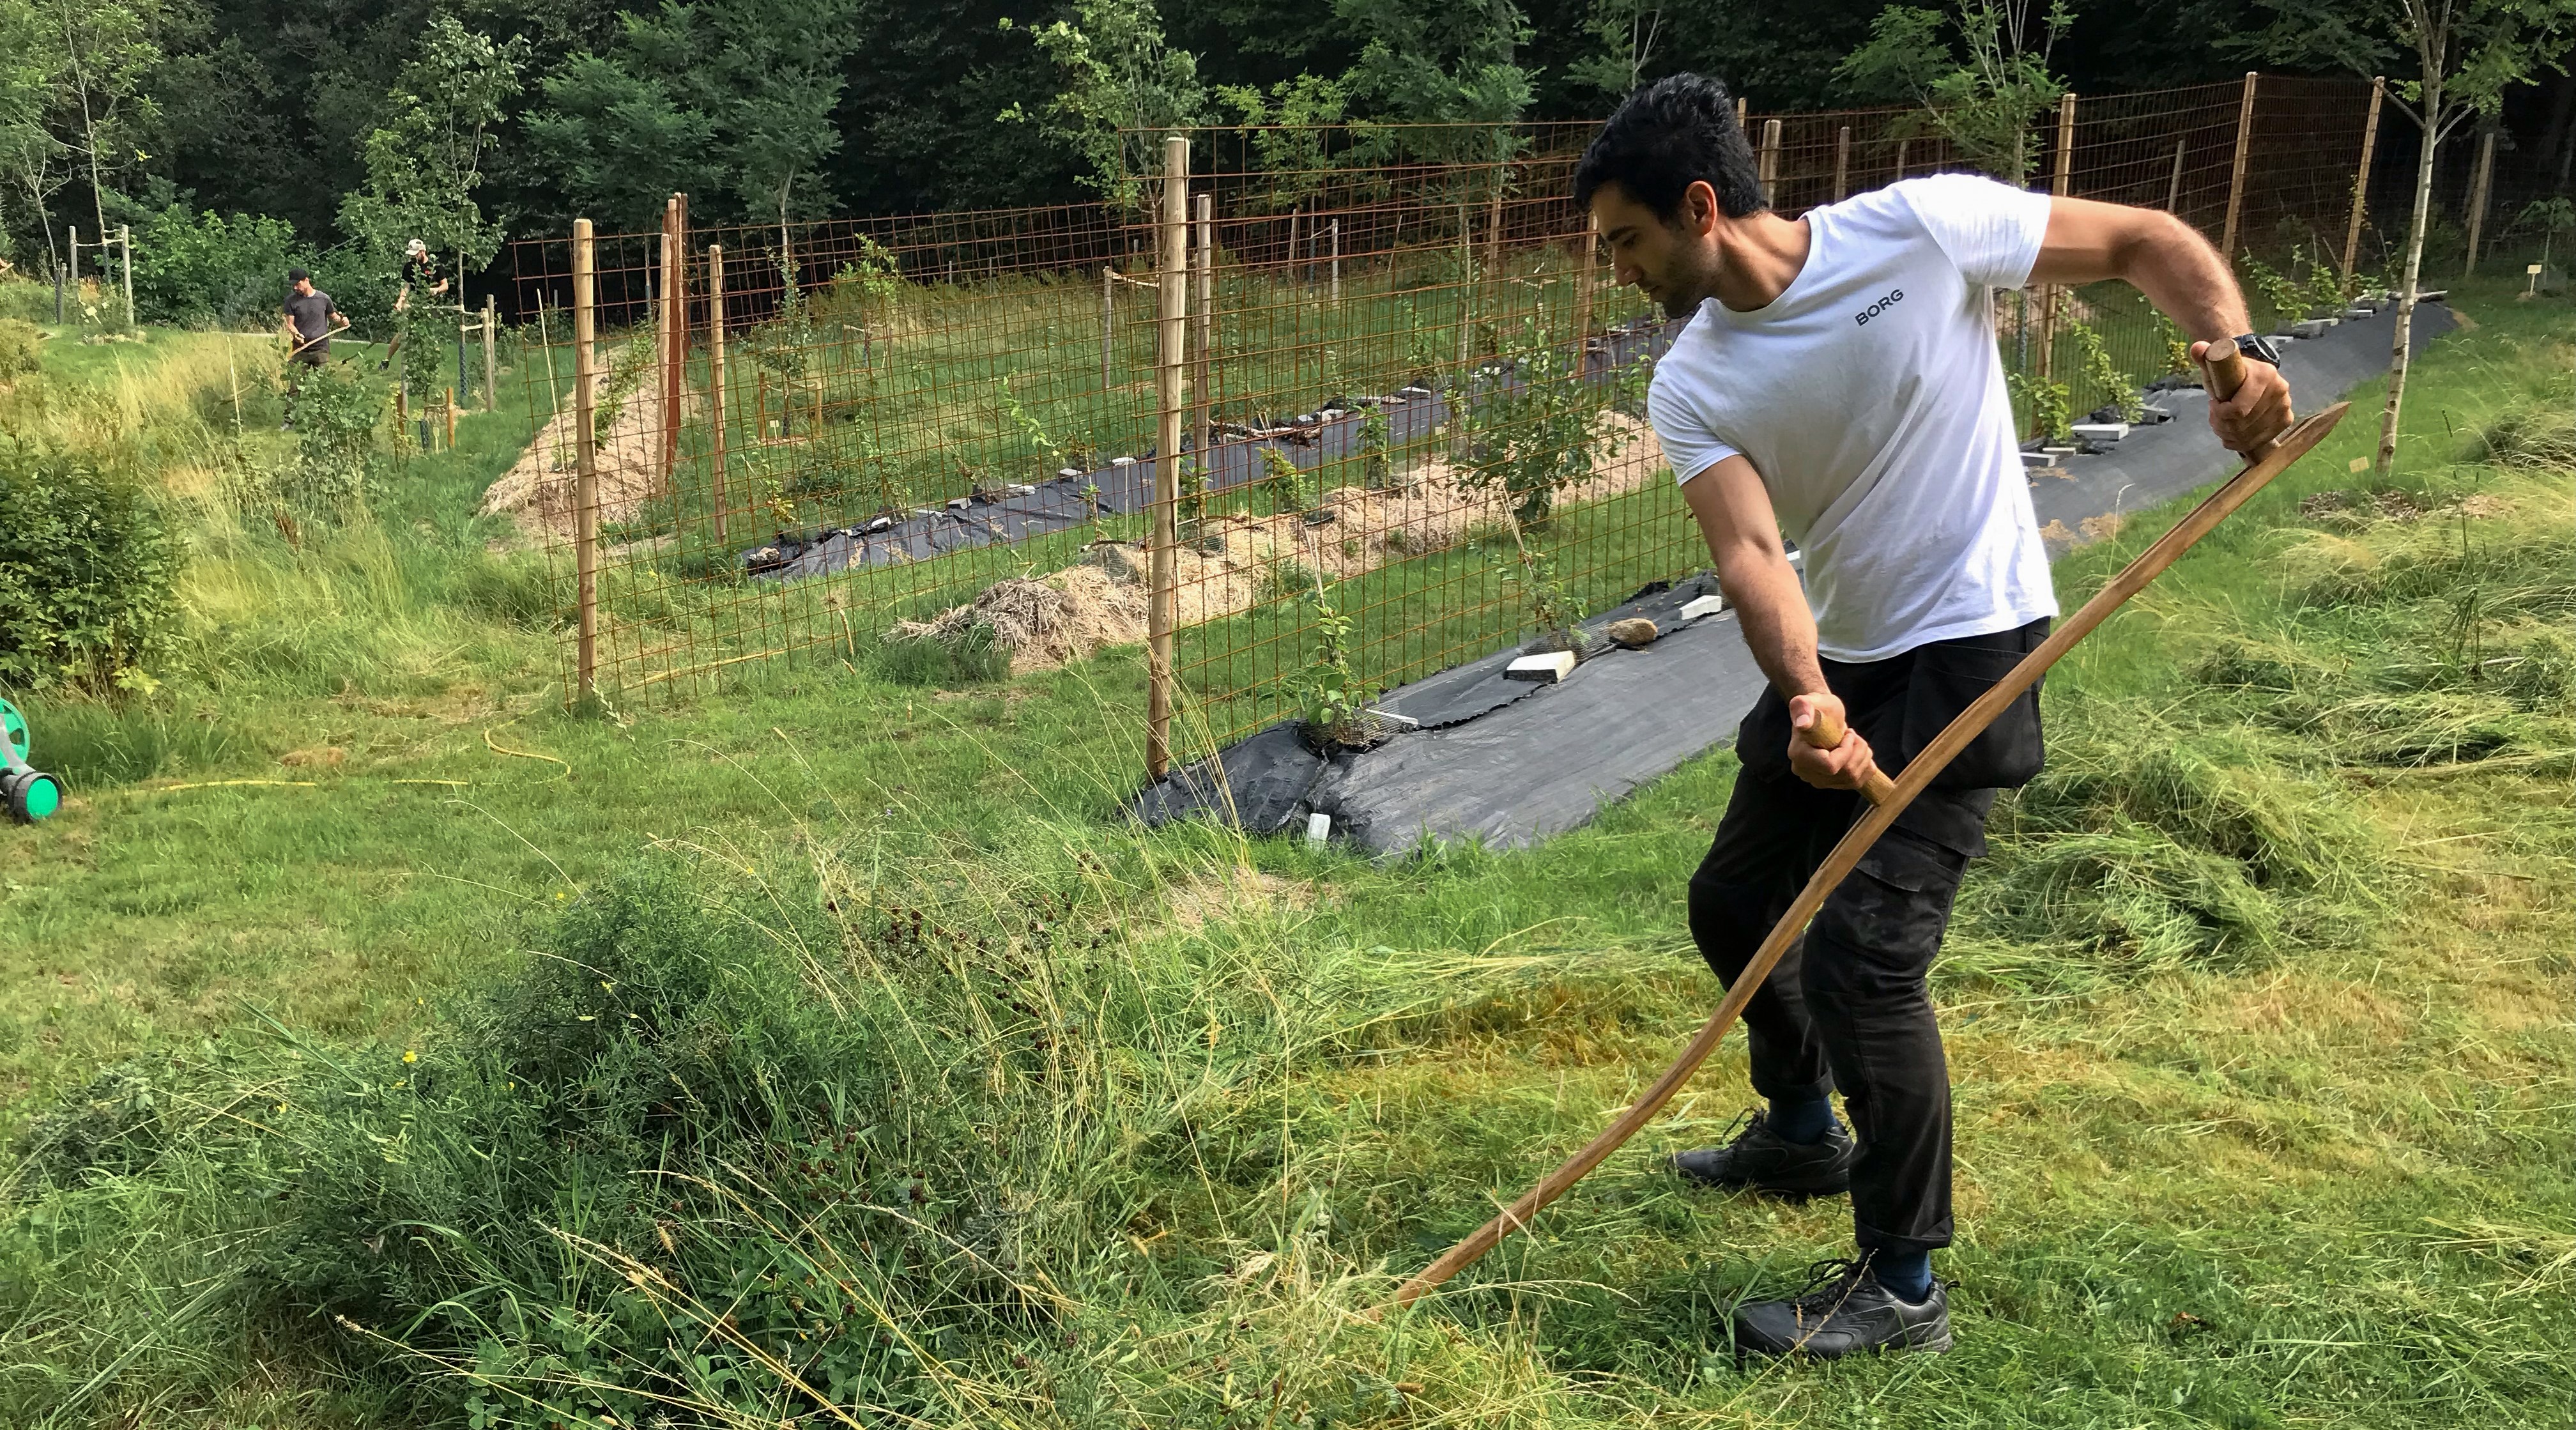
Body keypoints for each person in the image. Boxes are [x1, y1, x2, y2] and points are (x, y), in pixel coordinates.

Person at [1570, 75, 2291, 1361]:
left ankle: (1901, 1282)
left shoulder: (1919, 229)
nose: (1619, 270)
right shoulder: (1691, 378)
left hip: (1971, 644)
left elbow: (2144, 241)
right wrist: (1808, 698)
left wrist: (2237, 352)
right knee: (1736, 903)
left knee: (1863, 959)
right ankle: (1802, 1130)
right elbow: (1752, 556)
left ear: (1700, 207)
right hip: (1844, 654)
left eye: (1627, 240)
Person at [279, 267, 349, 430]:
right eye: (293, 285)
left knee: (323, 386)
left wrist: (342, 321)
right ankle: (289, 421)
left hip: (321, 349)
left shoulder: (323, 299)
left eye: (297, 284)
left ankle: (323, 422)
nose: (295, 288)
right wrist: (296, 334)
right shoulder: (291, 301)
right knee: (294, 387)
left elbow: (333, 316)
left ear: (306, 280)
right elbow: (290, 324)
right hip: (300, 350)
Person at [379, 238, 451, 373]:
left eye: (415, 254)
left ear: (423, 251)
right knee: (403, 333)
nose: (413, 257)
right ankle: (386, 360)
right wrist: (400, 302)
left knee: (429, 334)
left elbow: (445, 285)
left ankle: (431, 366)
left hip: (430, 306)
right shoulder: (409, 267)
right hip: (413, 304)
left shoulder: (436, 266)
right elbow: (406, 287)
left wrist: (436, 290)